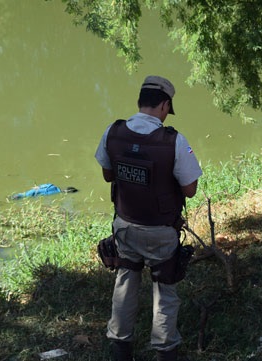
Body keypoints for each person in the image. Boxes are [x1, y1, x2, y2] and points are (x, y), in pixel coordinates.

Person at [95, 75, 202, 361]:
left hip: (125, 227)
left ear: (139, 102)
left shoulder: (113, 132)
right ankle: (165, 351)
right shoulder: (174, 141)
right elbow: (190, 190)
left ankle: (120, 348)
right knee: (165, 291)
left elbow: (107, 174)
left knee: (125, 282)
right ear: (165, 105)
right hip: (161, 232)